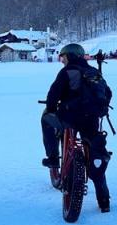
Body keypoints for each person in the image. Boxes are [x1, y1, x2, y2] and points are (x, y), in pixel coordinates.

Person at [41, 43, 113, 212]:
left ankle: (53, 158)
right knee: (95, 149)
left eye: (63, 57)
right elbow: (108, 93)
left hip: (70, 116)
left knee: (46, 119)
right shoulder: (94, 72)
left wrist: (51, 108)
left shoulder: (67, 71)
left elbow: (53, 95)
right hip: (93, 118)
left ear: (69, 56)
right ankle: (103, 199)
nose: (62, 60)